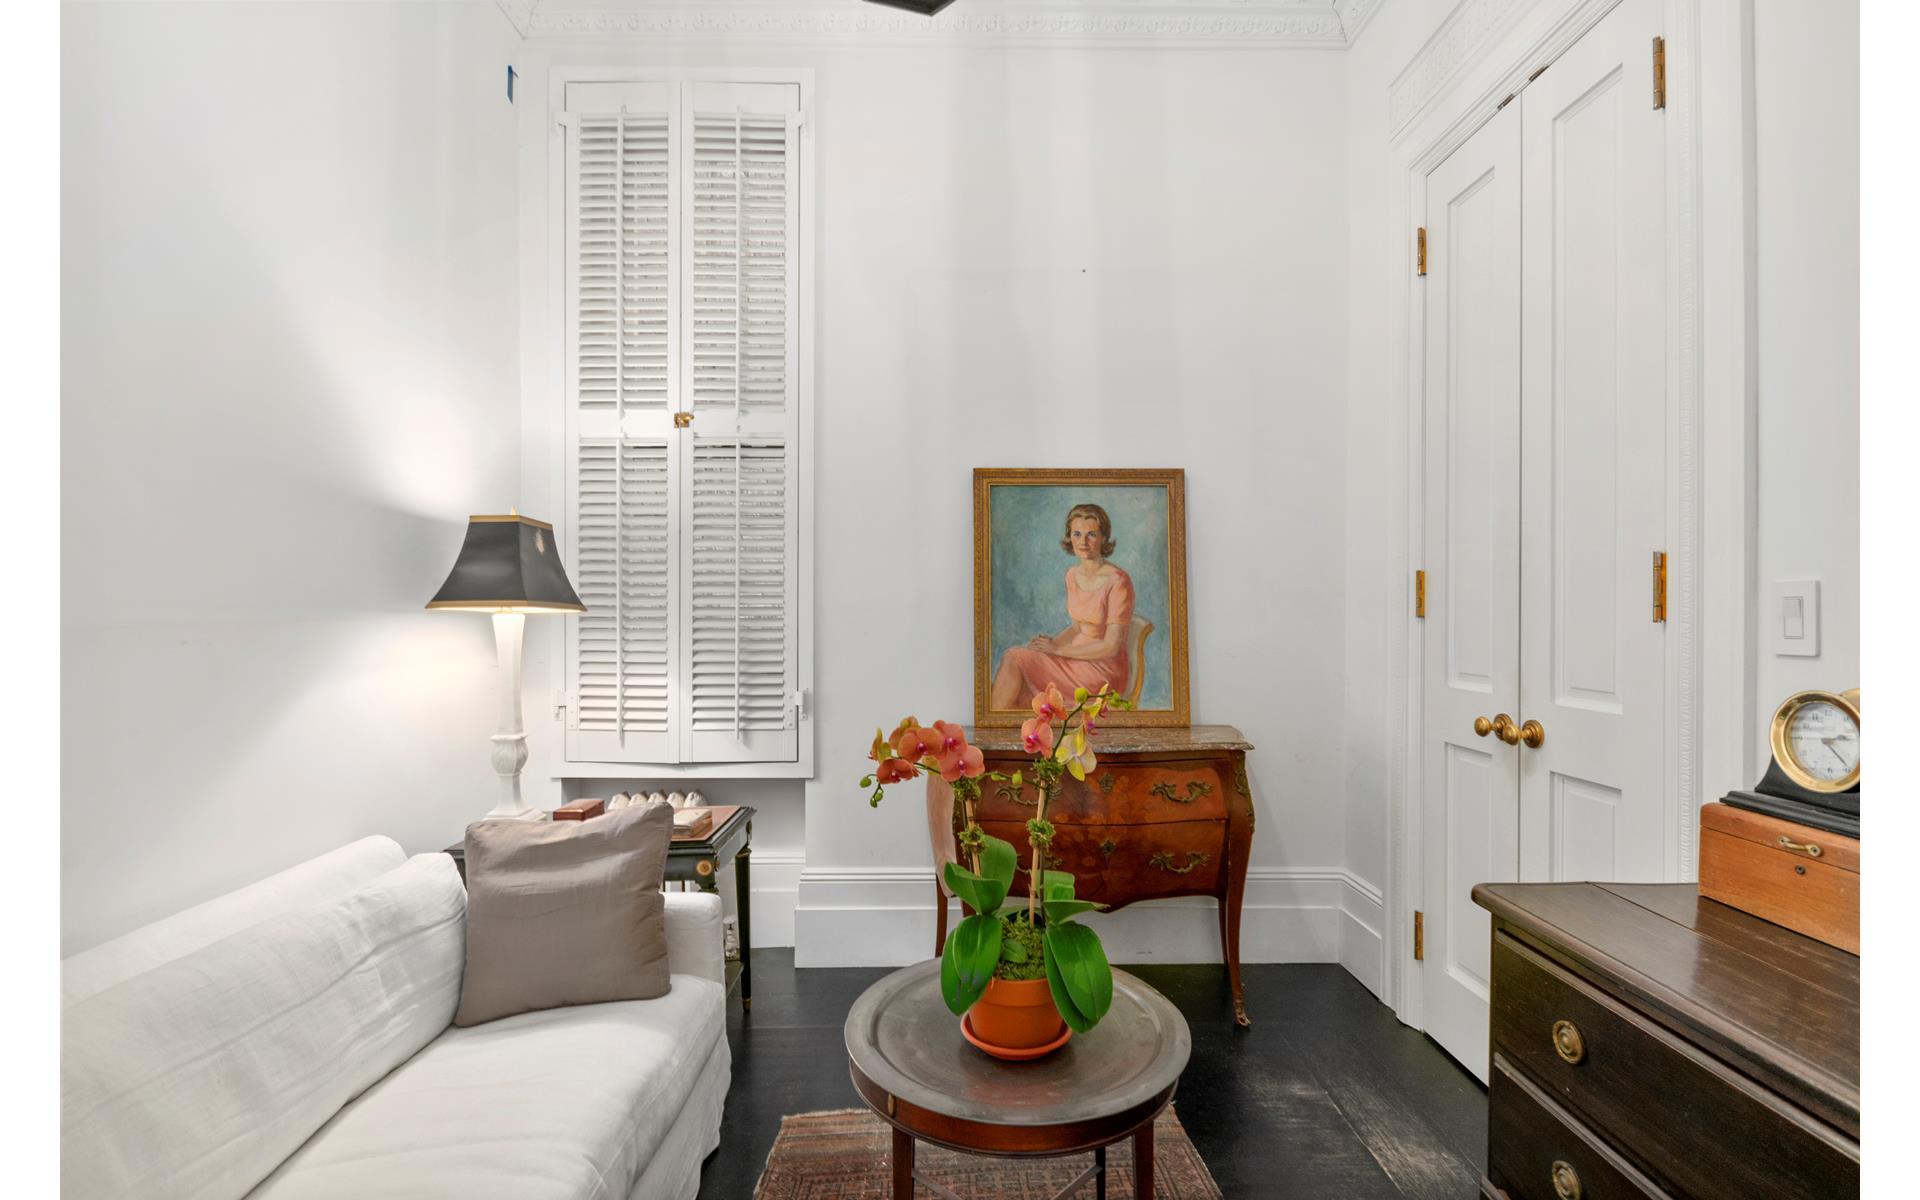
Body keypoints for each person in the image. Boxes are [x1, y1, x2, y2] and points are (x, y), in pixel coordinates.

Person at [991, 503, 1135, 711]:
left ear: (1103, 538)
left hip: (1103, 669)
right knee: (1017, 666)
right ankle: (1002, 727)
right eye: (1077, 534)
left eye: (1091, 534)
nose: (1083, 542)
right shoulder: (1071, 575)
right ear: (1070, 537)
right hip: (1072, 658)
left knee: (1014, 658)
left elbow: (1111, 646)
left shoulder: (1118, 581)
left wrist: (1058, 650)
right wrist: (1049, 645)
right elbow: (1077, 628)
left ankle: (995, 726)